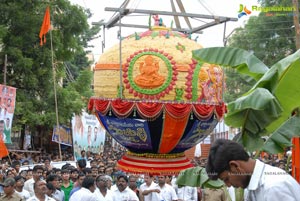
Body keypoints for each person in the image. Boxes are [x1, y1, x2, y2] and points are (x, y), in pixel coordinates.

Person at [206, 139, 300, 201]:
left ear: (235, 166)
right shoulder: (251, 188)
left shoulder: (273, 188)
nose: (228, 185)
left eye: (226, 179)